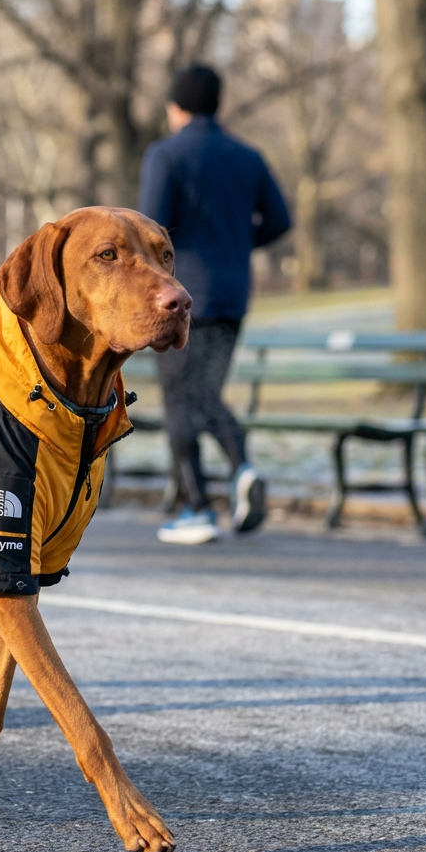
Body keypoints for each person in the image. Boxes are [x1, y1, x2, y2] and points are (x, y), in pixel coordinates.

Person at [138, 64, 291, 545]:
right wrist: (239, 241)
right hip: (233, 294)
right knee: (204, 393)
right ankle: (240, 470)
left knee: (183, 397)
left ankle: (197, 507)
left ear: (176, 106)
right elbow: (279, 220)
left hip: (181, 297)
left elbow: (148, 230)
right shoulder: (248, 156)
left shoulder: (166, 154)